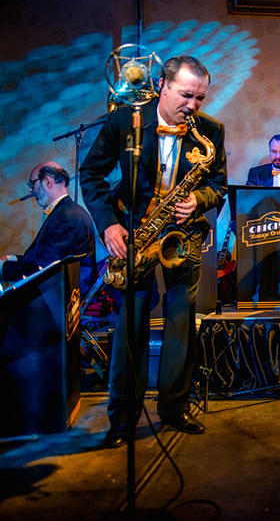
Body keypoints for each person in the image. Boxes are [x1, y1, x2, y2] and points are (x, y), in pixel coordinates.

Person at [81, 55, 227, 449]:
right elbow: (91, 174)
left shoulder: (211, 130)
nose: (192, 106)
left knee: (181, 324)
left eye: (199, 98)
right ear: (162, 85)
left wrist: (198, 199)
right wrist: (108, 224)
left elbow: (218, 185)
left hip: (184, 238)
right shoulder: (125, 120)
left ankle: (174, 408)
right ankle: (123, 419)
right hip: (135, 237)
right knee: (131, 326)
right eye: (185, 95)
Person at [1, 162, 95, 293]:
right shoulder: (67, 211)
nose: (31, 190)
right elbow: (42, 256)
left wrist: (3, 267)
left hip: (65, 298)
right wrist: (11, 259)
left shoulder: (64, 217)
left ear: (47, 182)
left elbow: (44, 271)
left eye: (32, 184)